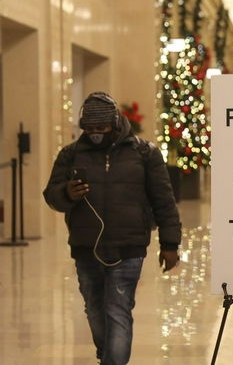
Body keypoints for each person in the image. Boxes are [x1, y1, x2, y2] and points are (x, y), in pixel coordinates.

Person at [43, 91, 182, 365]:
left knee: (118, 310)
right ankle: (106, 356)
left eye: (101, 128)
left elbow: (164, 201)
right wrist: (67, 193)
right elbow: (51, 196)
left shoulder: (145, 153)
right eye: (90, 129)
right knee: (94, 310)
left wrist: (170, 244)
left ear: (116, 124)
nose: (96, 134)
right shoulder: (70, 155)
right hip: (86, 247)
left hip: (128, 248)